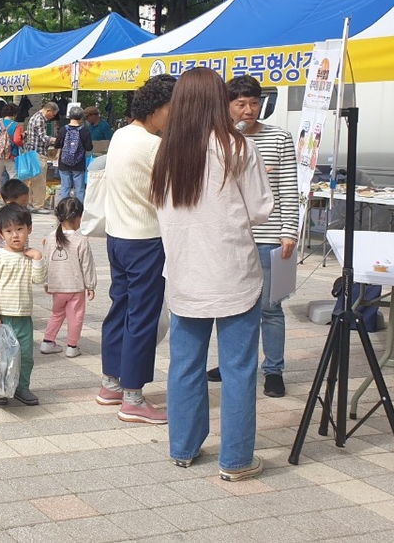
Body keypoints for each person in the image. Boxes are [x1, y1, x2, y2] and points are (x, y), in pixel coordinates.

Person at [150, 67, 273, 481]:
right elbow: (259, 210)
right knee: (238, 367)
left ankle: (183, 448)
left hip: (185, 271)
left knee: (184, 363)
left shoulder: (166, 152)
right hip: (233, 270)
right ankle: (236, 460)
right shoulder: (236, 147)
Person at [206, 75, 300, 398]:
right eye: (241, 104)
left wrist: (289, 231)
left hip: (270, 237)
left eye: (254, 103)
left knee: (270, 308)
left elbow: (289, 187)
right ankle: (230, 362)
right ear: (228, 106)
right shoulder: (218, 141)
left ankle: (273, 369)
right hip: (231, 239)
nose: (248, 110)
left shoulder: (279, 138)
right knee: (230, 307)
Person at [98, 74, 175, 424]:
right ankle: (133, 396)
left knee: (121, 308)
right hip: (146, 239)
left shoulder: (121, 135)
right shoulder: (154, 146)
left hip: (118, 236)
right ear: (158, 109)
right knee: (142, 317)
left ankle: (111, 383)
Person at [0, 204, 47, 405]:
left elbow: (38, 280)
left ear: (29, 228)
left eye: (20, 229)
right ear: (2, 234)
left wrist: (38, 258)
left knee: (25, 355)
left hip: (23, 317)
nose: (15, 236)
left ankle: (22, 387)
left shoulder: (29, 257)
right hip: (1, 317)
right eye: (9, 231)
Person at [42, 197, 96, 357]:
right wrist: (90, 285)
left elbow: (46, 262)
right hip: (75, 287)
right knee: (75, 316)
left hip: (57, 287)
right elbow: (87, 265)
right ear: (79, 217)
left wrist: (46, 282)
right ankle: (72, 346)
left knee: (56, 313)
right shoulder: (81, 241)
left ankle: (47, 341)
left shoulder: (50, 239)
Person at [24, 101, 57, 212]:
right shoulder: (40, 119)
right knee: (39, 181)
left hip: (30, 152)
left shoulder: (34, 117)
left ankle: (31, 202)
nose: (53, 117)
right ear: (48, 111)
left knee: (32, 180)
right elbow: (43, 137)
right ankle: (38, 205)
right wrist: (55, 140)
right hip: (38, 153)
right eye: (53, 114)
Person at [55, 106, 93, 203]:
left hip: (64, 163)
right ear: (81, 117)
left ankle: (64, 209)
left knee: (65, 188)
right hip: (79, 163)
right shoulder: (84, 131)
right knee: (79, 189)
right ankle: (79, 211)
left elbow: (57, 145)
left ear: (70, 116)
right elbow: (89, 147)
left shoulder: (63, 130)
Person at [0, 104, 20, 201]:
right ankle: (12, 200)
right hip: (11, 155)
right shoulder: (16, 125)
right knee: (13, 179)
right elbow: (17, 140)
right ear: (15, 114)